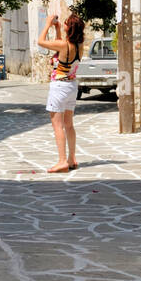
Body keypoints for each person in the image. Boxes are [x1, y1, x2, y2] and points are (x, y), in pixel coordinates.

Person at [38, 11, 85, 173]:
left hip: (59, 86)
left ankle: (62, 161)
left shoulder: (64, 45)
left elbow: (41, 42)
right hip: (72, 86)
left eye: (65, 23)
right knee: (69, 125)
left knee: (58, 126)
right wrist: (57, 29)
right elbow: (60, 47)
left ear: (69, 28)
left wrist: (47, 24)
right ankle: (72, 158)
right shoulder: (79, 46)